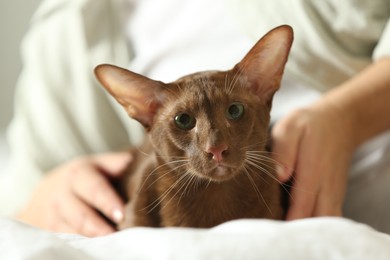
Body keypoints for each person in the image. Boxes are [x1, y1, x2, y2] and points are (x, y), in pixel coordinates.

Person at [1, 0, 389, 237]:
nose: (214, 144)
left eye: (235, 111)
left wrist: (348, 115)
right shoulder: (66, 24)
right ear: (144, 111)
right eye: (184, 122)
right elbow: (19, 212)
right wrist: (47, 194)